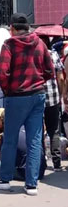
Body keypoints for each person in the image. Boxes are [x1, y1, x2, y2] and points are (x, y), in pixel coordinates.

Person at [0, 14, 54, 196]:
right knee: (34, 141)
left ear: (12, 28)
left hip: (16, 96)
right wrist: (38, 81)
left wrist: (8, 90)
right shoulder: (40, 43)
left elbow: (1, 72)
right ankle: (31, 184)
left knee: (10, 138)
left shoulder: (9, 45)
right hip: (37, 95)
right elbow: (50, 70)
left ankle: (5, 178)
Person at [39, 36, 64, 170]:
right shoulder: (54, 54)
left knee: (38, 130)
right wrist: (61, 94)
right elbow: (60, 78)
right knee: (54, 130)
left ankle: (41, 161)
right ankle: (57, 163)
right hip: (53, 97)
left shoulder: (34, 55)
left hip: (37, 97)